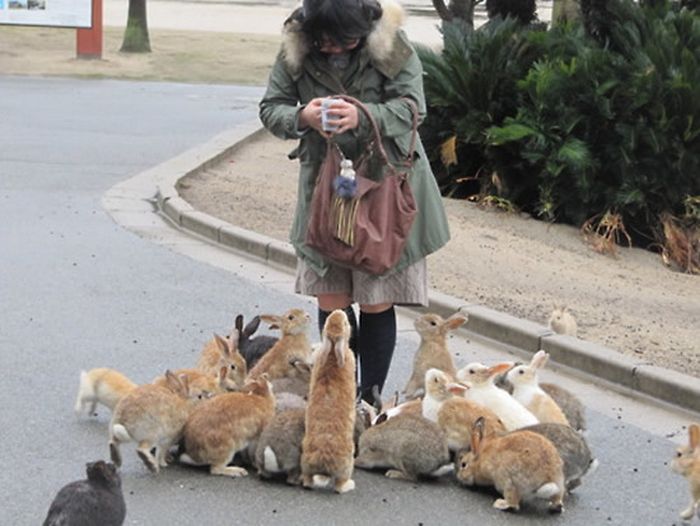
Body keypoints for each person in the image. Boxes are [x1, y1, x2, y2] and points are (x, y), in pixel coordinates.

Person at [258, 0, 450, 402]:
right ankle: (338, 395)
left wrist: (364, 116)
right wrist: (302, 117)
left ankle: (370, 398)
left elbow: (414, 108)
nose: (333, 49)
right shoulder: (296, 45)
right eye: (324, 41)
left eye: (344, 41)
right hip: (324, 191)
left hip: (384, 189)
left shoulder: (389, 43)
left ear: (361, 27)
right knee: (332, 300)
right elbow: (271, 108)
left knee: (376, 299)